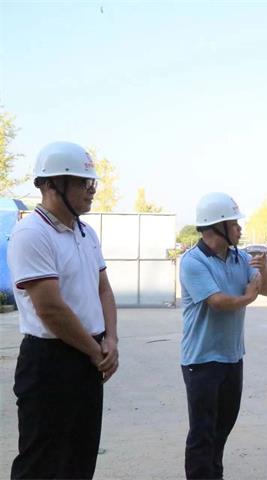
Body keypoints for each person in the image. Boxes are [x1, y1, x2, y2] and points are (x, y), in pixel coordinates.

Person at [8, 141, 119, 479]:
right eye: (84, 183)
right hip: (50, 361)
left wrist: (111, 340)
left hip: (89, 355)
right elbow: (50, 308)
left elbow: (103, 289)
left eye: (91, 182)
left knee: (79, 458)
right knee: (41, 462)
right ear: (55, 184)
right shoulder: (31, 233)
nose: (91, 190)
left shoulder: (86, 232)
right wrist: (95, 352)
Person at [179, 192, 267, 479]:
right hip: (202, 360)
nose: (239, 229)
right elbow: (218, 302)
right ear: (216, 227)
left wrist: (264, 271)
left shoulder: (240, 257)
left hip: (232, 357)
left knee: (222, 428)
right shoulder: (193, 261)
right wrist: (247, 297)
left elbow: (265, 289)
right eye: (234, 224)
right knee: (202, 432)